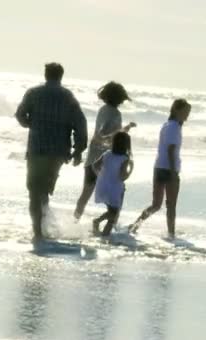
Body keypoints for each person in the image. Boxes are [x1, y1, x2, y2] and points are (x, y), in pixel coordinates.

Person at [15, 63, 88, 240]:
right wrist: (78, 150)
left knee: (34, 190)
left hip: (37, 149)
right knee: (44, 190)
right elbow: (81, 124)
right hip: (58, 152)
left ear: (46, 75)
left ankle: (38, 232)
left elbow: (20, 114)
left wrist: (30, 124)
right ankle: (45, 226)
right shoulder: (68, 96)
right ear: (61, 76)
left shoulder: (33, 93)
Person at [128, 99, 192, 239]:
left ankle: (135, 225)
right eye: (186, 112)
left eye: (188, 112)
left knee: (156, 204)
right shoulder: (174, 127)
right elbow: (170, 149)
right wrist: (174, 172)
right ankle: (171, 234)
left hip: (158, 167)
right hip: (169, 169)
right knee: (171, 206)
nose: (187, 115)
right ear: (176, 110)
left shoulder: (167, 125)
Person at [74, 81, 136, 220]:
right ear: (119, 98)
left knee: (86, 193)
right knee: (117, 192)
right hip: (108, 160)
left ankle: (75, 221)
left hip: (94, 157)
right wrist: (105, 139)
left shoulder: (104, 110)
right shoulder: (114, 113)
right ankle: (112, 224)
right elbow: (102, 135)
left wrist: (125, 128)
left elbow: (112, 133)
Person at [92, 132, 134, 237]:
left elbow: (94, 165)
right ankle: (103, 233)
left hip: (102, 185)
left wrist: (101, 176)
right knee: (114, 214)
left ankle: (99, 225)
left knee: (111, 211)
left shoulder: (107, 154)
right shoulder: (125, 158)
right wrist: (131, 168)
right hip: (114, 188)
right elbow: (122, 177)